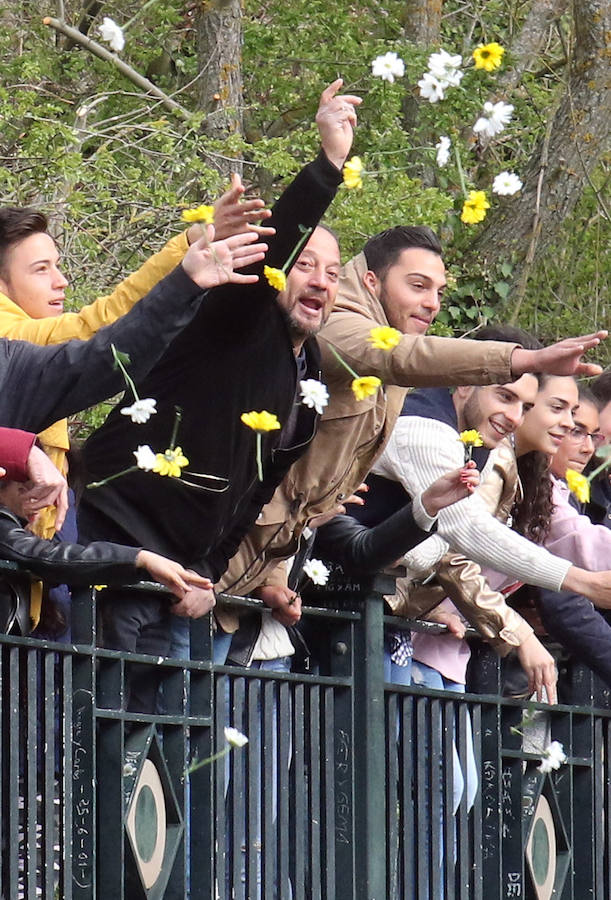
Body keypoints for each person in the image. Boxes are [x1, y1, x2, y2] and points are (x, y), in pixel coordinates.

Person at [77, 80, 362, 709]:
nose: (319, 282)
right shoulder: (236, 318)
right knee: (97, 724)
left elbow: (255, 486)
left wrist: (210, 570)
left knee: (156, 752)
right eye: (307, 267)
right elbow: (276, 246)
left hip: (187, 578)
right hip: (120, 539)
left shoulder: (308, 367)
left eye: (332, 274)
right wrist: (328, 166)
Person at [217, 231, 604, 672]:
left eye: (439, 291)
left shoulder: (408, 378)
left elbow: (305, 491)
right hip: (223, 565)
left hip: (266, 577)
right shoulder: (344, 326)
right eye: (417, 286)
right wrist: (579, 582)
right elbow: (463, 532)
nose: (433, 303)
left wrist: (274, 574)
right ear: (370, 282)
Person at [0, 188, 271, 539]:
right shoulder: (11, 337)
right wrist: (186, 265)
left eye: (58, 265)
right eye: (40, 270)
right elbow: (102, 332)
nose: (61, 280)